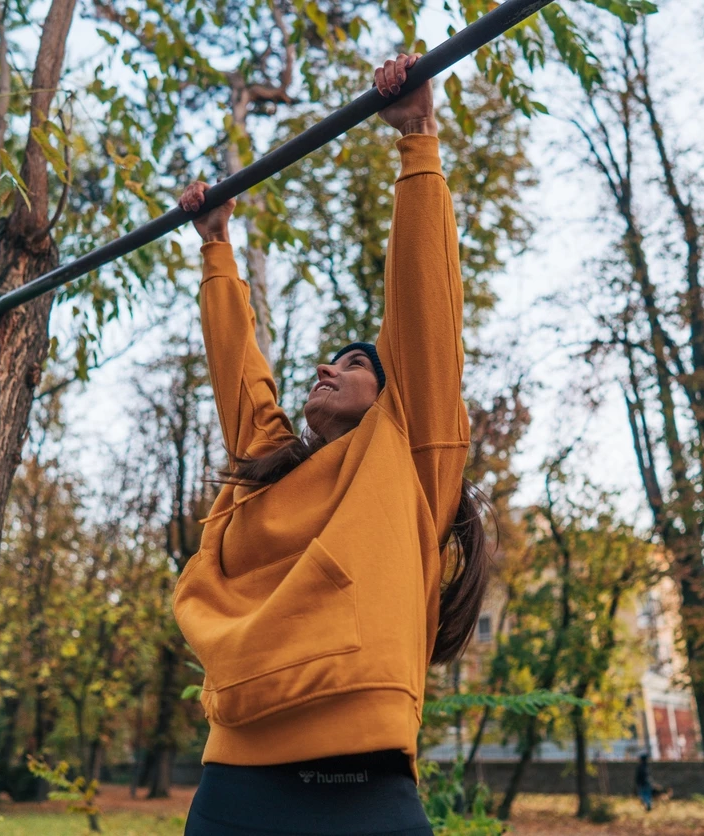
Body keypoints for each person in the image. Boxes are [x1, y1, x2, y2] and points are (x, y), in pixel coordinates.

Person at [171, 53, 491, 836]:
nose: (328, 366)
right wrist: (217, 247)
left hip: (361, 794)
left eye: (356, 363)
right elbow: (239, 377)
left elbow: (423, 309)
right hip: (233, 788)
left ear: (393, 390)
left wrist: (418, 137)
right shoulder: (265, 474)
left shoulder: (408, 458)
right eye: (330, 358)